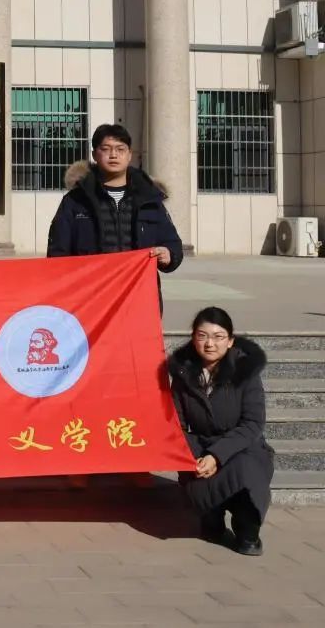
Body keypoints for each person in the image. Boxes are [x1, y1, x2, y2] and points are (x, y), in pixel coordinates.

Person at [169, 307, 274, 556]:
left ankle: (247, 529)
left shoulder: (245, 372)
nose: (210, 344)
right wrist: (196, 455)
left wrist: (217, 455)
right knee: (193, 470)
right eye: (202, 336)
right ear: (193, 338)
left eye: (218, 337)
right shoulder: (183, 373)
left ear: (230, 341)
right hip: (200, 444)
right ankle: (211, 517)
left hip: (242, 446)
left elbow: (252, 423)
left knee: (246, 470)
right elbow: (175, 424)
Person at [46, 124, 183, 276]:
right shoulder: (76, 200)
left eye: (120, 149)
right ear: (94, 154)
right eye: (105, 149)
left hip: (137, 286)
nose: (113, 155)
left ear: (129, 155)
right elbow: (57, 253)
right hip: (92, 287)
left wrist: (168, 255)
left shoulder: (149, 199)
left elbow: (172, 244)